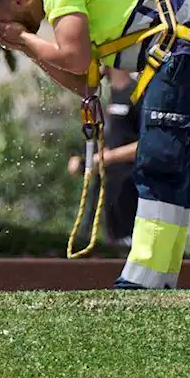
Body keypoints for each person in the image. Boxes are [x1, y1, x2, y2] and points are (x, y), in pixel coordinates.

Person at [0, 0, 190, 289]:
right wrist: (25, 45)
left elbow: (73, 58)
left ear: (17, 0)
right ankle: (162, 277)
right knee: (172, 162)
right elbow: (83, 81)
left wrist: (22, 38)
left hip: (185, 44)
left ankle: (142, 279)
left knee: (159, 161)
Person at [67, 66, 140, 248]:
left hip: (130, 189)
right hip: (106, 189)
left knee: (127, 247)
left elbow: (148, 145)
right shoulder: (102, 95)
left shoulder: (137, 93)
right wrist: (84, 161)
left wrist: (107, 158)